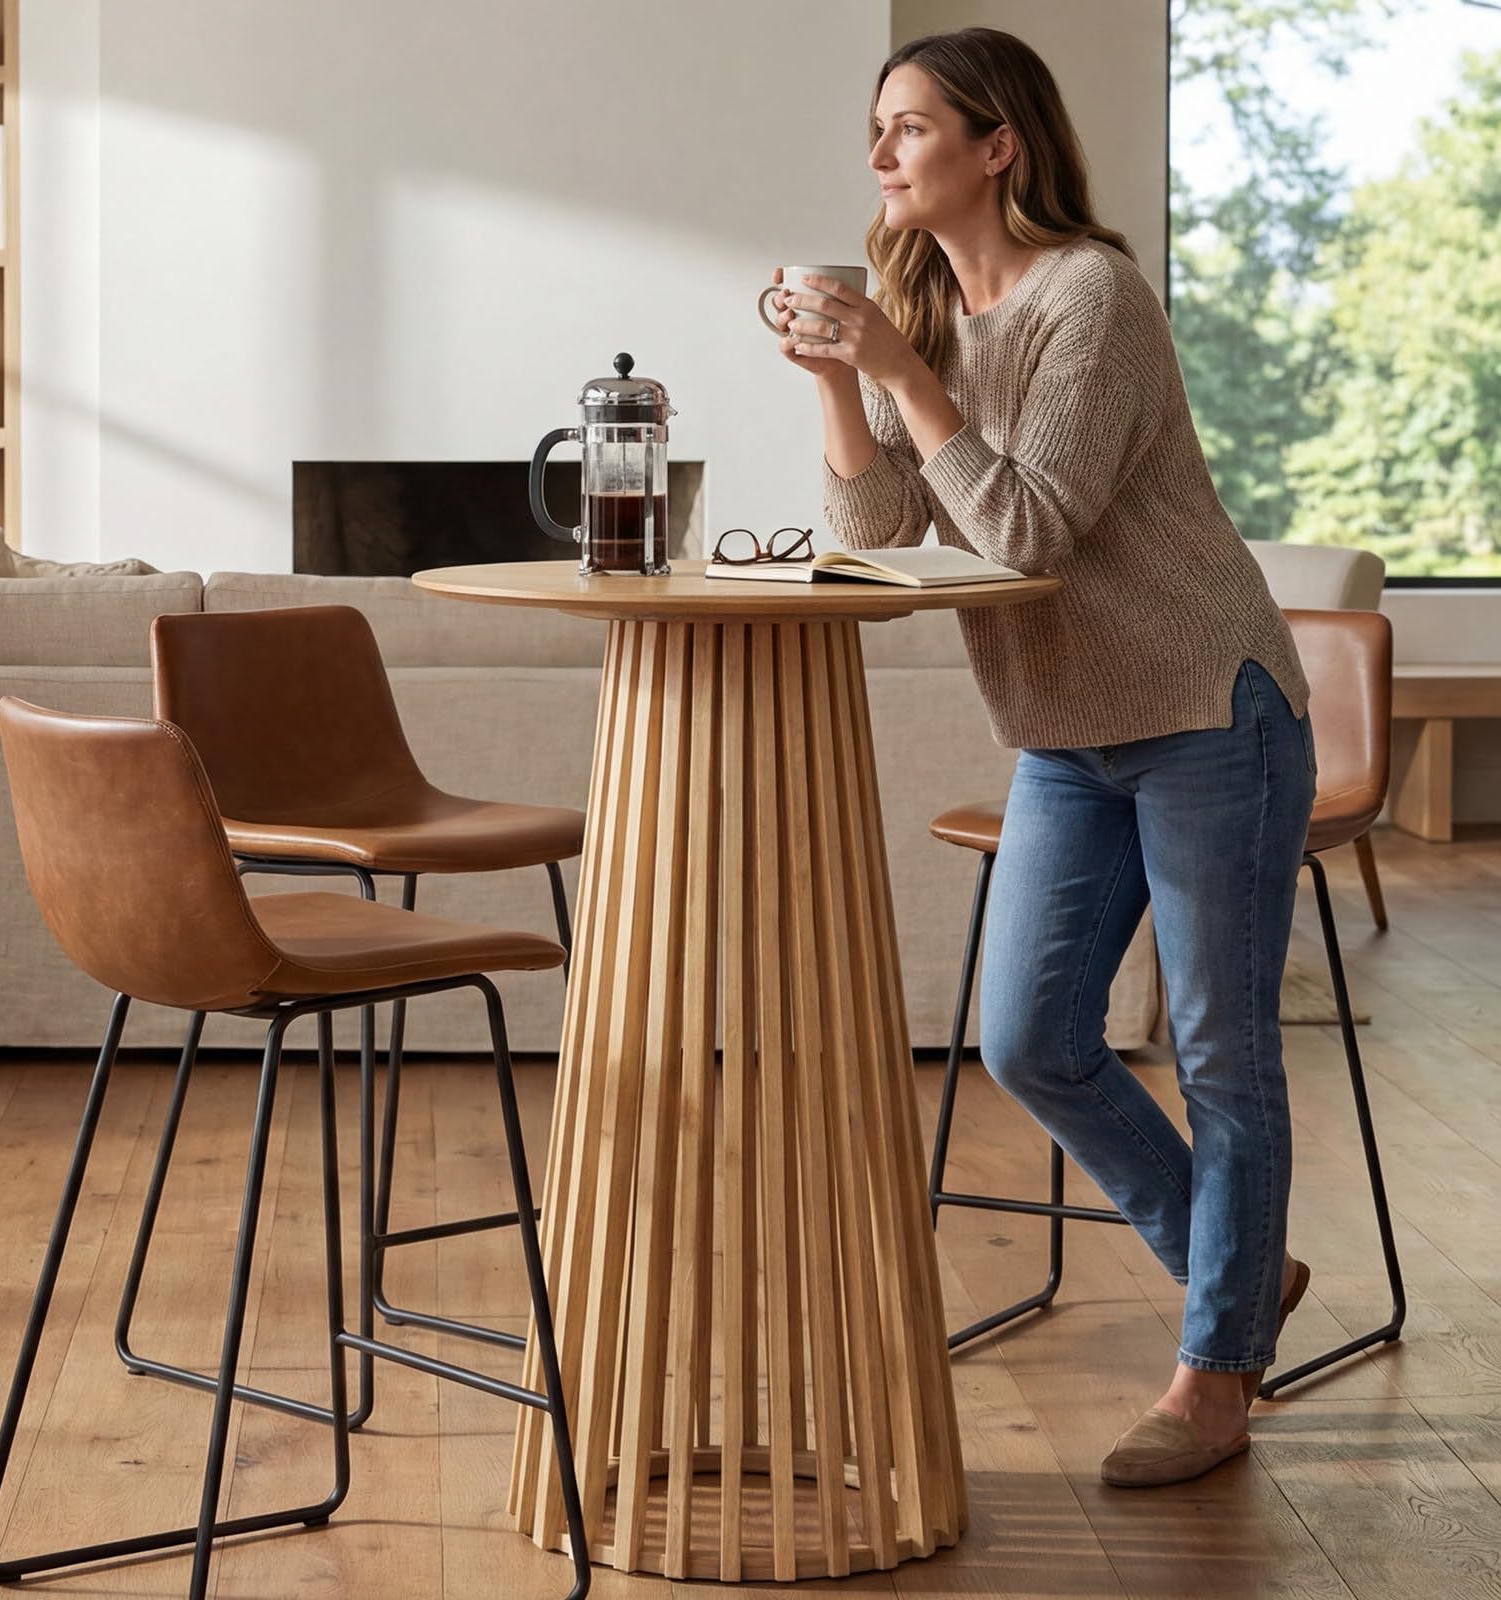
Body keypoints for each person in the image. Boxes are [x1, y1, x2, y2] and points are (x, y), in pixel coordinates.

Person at [769, 26, 1315, 1488]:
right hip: (1067, 732)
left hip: (1208, 700)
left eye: (911, 126)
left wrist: (901, 366)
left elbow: (1020, 533)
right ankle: (1238, 1265)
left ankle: (1215, 1373)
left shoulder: (1095, 297)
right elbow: (875, 533)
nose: (882, 153)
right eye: (875, 129)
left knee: (1220, 1048)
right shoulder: (922, 307)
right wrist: (842, 374)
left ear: (996, 144)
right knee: (1027, 1038)